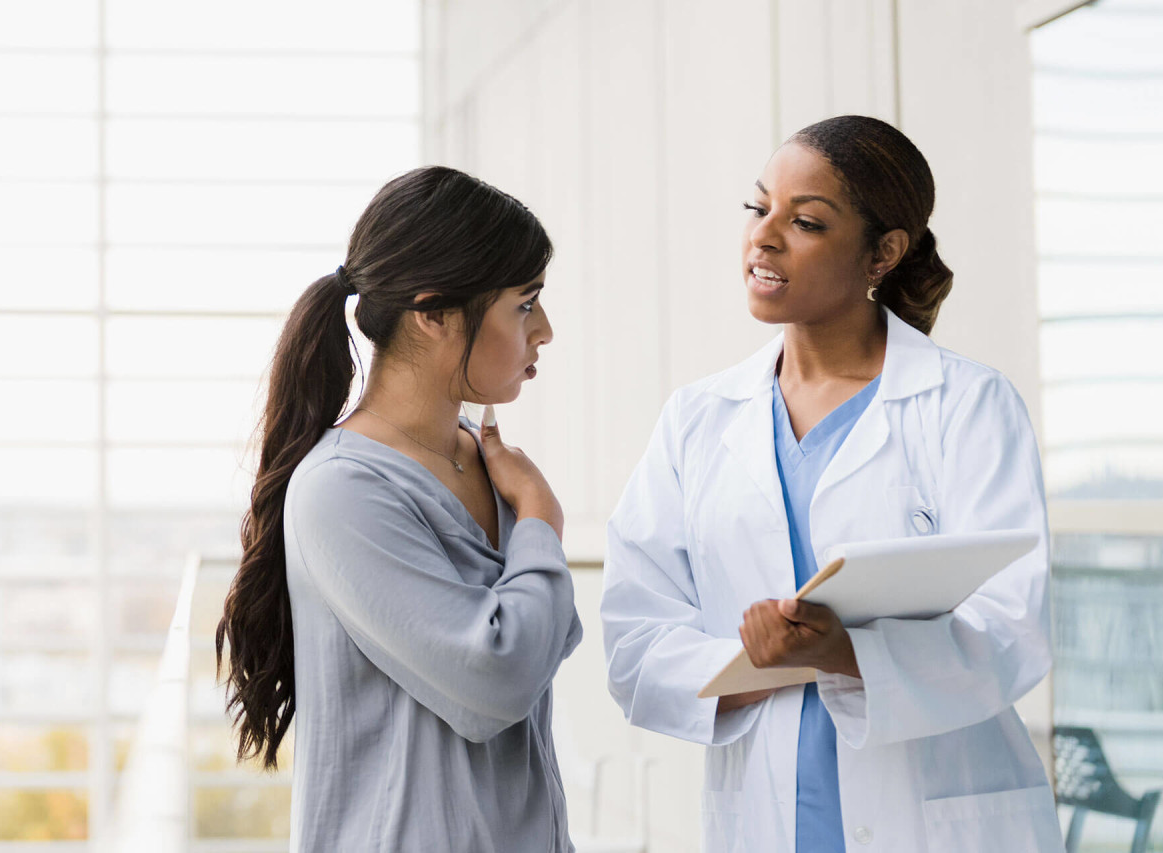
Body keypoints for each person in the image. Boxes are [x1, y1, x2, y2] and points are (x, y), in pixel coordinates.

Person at [600, 115, 1063, 852]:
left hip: (934, 818)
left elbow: (1013, 627)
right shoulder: (697, 418)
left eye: (806, 220)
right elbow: (635, 639)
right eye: (759, 209)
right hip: (768, 813)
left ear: (883, 252)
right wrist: (767, 662)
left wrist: (844, 654)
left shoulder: (967, 405)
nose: (765, 236)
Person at [216, 165, 584, 852]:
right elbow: (498, 678)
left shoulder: (483, 460)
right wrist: (539, 516)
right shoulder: (343, 489)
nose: (546, 331)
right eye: (525, 304)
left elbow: (543, 643)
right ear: (434, 312)